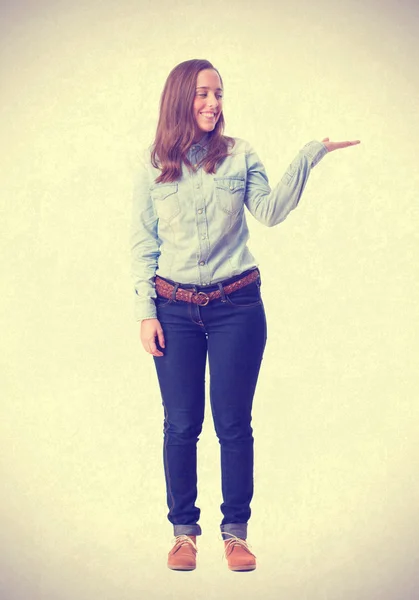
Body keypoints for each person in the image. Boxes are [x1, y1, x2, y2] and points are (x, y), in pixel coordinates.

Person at [130, 58, 360, 572]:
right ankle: (183, 534)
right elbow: (144, 242)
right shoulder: (154, 164)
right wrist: (146, 311)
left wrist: (310, 154)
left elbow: (272, 211)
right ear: (180, 98)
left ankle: (235, 533)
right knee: (181, 424)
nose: (214, 104)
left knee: (233, 424)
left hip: (237, 306)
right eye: (203, 94)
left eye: (219, 94)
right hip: (173, 308)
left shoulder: (239, 156)